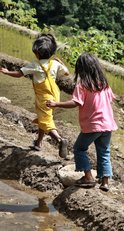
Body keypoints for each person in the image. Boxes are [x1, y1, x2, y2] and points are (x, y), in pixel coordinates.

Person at [46, 53, 117, 192]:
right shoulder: (103, 84)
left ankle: (88, 177)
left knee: (79, 148)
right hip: (107, 124)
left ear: (81, 69)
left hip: (93, 125)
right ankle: (105, 183)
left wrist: (56, 104)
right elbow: (109, 100)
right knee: (104, 152)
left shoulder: (83, 85)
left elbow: (75, 103)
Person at [0, 33, 69, 158]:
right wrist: (61, 62)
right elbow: (67, 73)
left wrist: (6, 72)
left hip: (44, 100)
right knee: (43, 119)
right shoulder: (55, 64)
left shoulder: (35, 65)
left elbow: (19, 74)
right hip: (55, 97)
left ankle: (60, 140)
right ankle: (38, 143)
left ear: (37, 53)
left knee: (46, 122)